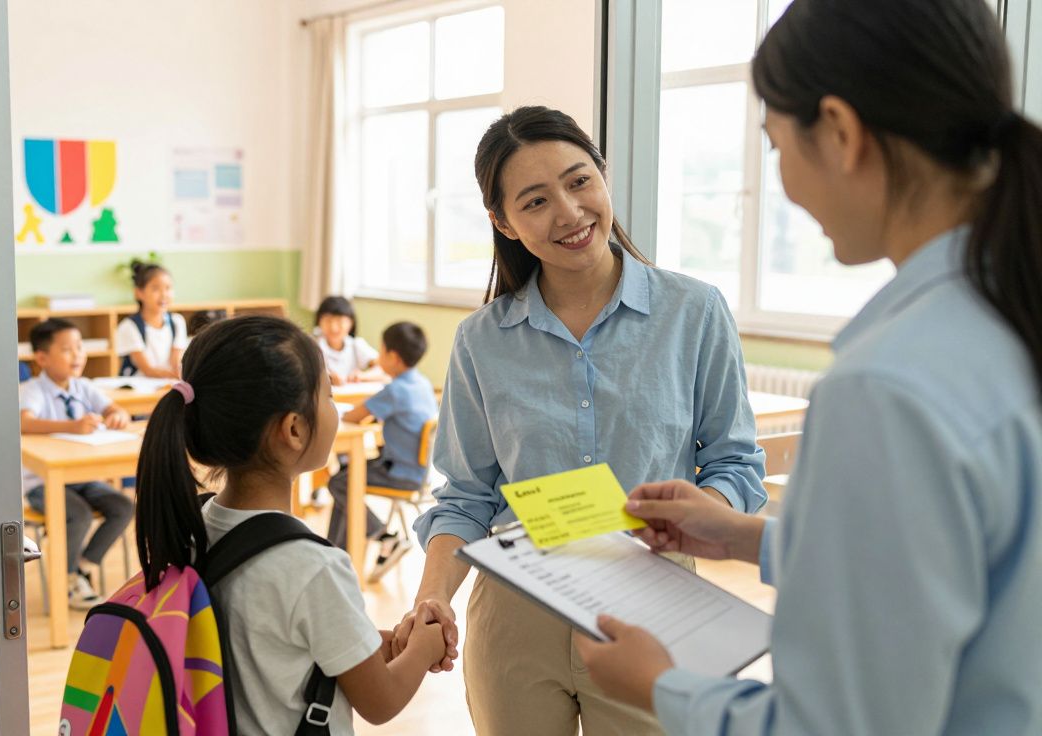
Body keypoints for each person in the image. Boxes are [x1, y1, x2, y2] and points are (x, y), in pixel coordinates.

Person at [573, 1, 1042, 733]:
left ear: (842, 132)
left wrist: (663, 687)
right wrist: (750, 536)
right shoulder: (1007, 317)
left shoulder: (888, 388)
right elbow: (976, 570)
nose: (784, 184)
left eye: (776, 146)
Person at [390, 106, 767, 735]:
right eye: (535, 201)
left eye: (579, 181)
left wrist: (693, 516)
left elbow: (734, 462)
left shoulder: (693, 311)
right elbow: (467, 497)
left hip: (654, 605)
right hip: (515, 613)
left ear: (603, 178)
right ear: (502, 222)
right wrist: (432, 598)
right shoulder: (481, 340)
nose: (568, 212)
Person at [135, 315, 447, 734]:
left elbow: (273, 643)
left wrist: (373, 644)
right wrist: (426, 647)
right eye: (329, 395)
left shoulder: (195, 527)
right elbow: (382, 701)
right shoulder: (314, 568)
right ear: (295, 429)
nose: (334, 408)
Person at [20, 318, 135, 609]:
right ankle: (69, 578)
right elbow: (24, 421)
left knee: (122, 506)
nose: (77, 355)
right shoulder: (33, 389)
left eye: (80, 347)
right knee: (79, 514)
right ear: (42, 357)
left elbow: (112, 407)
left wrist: (116, 414)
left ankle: (81, 566)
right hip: (41, 483)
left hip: (82, 479)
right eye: (67, 349)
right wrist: (72, 426)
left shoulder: (83, 386)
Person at [332, 321, 438, 581]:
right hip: (420, 471)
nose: (378, 358)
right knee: (346, 477)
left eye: (380, 351)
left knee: (340, 482)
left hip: (399, 472)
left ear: (393, 357)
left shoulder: (395, 390)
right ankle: (334, 553)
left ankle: (384, 537)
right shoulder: (420, 383)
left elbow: (356, 416)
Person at [117, 260, 187, 378]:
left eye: (168, 288)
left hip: (168, 385)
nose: (164, 294)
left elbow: (176, 363)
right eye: (155, 289)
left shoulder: (177, 322)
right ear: (139, 293)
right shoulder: (129, 326)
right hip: (138, 390)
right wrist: (176, 375)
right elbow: (148, 370)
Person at [314, 296, 387, 385]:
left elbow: (383, 367)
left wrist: (361, 376)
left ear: (351, 323)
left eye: (340, 321)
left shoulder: (356, 344)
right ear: (319, 321)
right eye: (328, 320)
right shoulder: (312, 344)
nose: (334, 328)